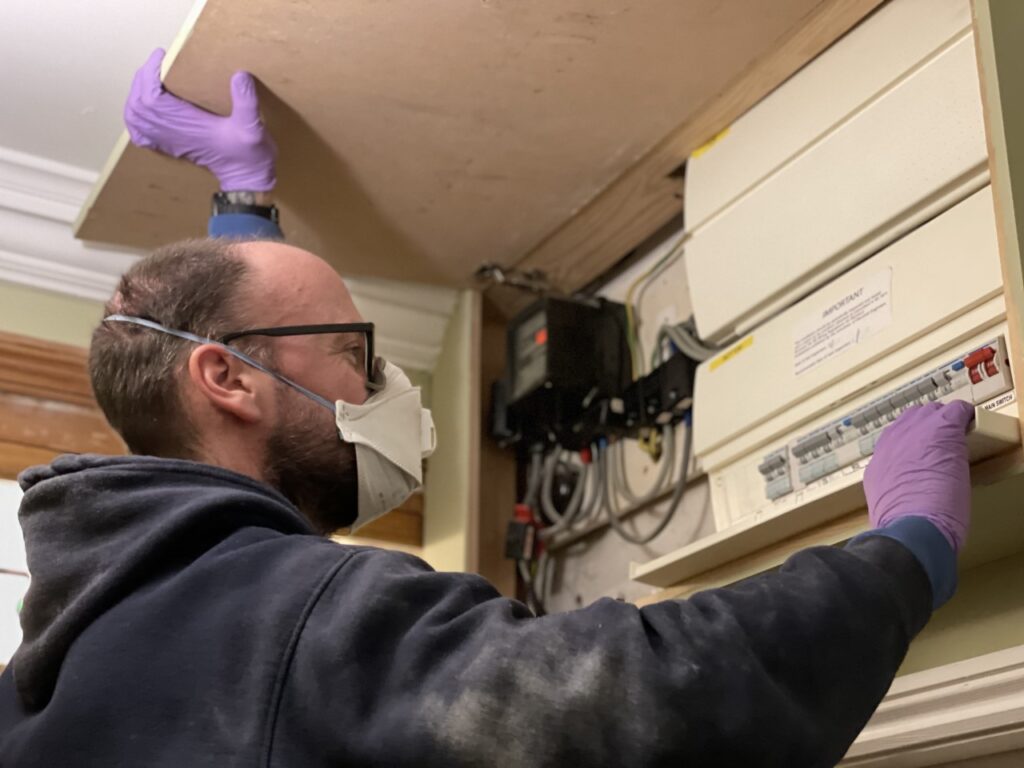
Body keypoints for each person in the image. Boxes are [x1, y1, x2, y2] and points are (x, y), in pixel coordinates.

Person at [0, 50, 977, 767]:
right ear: (227, 382)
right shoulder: (286, 623)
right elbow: (640, 706)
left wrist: (243, 206)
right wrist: (904, 555)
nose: (380, 392)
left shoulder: (78, 644)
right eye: (353, 355)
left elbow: (217, 351)